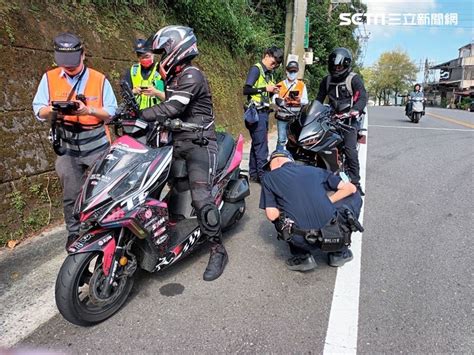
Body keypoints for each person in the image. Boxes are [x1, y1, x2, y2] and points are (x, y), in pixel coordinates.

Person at [140, 26, 227, 281]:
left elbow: (172, 107)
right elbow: (169, 111)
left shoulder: (193, 75)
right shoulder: (174, 77)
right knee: (151, 187)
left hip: (201, 144)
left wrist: (140, 114)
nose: (159, 57)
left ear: (176, 49)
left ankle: (218, 250)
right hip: (178, 143)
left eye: (162, 51)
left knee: (201, 198)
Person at [32, 32, 117, 249]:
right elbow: (37, 108)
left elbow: (112, 112)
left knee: (104, 190)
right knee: (71, 192)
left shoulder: (99, 79)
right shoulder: (49, 78)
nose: (69, 68)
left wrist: (88, 110)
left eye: (73, 63)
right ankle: (74, 233)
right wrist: (51, 111)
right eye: (64, 63)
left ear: (83, 54)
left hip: (96, 143)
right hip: (67, 146)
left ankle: (108, 230)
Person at [259, 150, 363, 271]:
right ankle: (339, 253)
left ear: (275, 161)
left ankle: (303, 257)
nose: (270, 170)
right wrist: (327, 201)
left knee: (280, 215)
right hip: (332, 233)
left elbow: (271, 215)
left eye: (269, 166)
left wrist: (283, 209)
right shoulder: (316, 170)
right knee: (355, 196)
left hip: (301, 237)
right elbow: (350, 188)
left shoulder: (269, 178)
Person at [315, 47, 367, 195]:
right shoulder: (327, 80)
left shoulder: (354, 79)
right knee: (318, 144)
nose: (336, 69)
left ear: (346, 65)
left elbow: (362, 97)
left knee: (350, 150)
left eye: (339, 66)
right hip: (331, 117)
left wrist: (355, 109)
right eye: (333, 66)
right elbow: (319, 99)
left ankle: (356, 182)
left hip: (349, 120)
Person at [243, 46, 284, 183]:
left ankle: (254, 174)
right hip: (256, 113)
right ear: (266, 55)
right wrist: (264, 88)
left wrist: (273, 91)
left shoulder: (269, 74)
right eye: (273, 63)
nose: (274, 66)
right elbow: (246, 89)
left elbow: (267, 92)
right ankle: (263, 178)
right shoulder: (256, 69)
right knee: (261, 147)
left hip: (264, 112)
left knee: (257, 144)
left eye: (276, 65)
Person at [273, 60, 309, 150]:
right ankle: (279, 158)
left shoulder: (301, 85)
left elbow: (306, 101)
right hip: (282, 116)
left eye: (294, 71)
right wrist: (282, 101)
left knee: (295, 140)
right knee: (281, 139)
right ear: (286, 71)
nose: (292, 73)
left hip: (295, 117)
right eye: (290, 71)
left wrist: (299, 100)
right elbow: (274, 99)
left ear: (297, 72)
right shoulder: (279, 85)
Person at [122, 38, 165, 109]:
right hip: (136, 114)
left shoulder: (162, 70)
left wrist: (156, 92)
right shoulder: (132, 71)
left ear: (153, 53)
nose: (144, 59)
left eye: (146, 56)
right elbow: (124, 94)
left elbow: (170, 99)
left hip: (157, 115)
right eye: (141, 57)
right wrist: (133, 91)